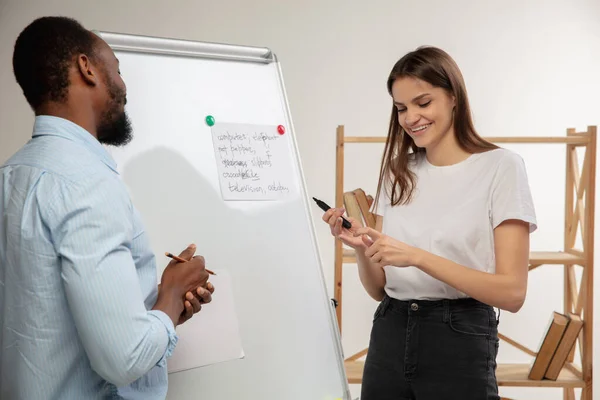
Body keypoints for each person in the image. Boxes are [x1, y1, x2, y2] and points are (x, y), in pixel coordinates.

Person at [0, 16, 214, 400]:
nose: (124, 87)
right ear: (87, 68)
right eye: (117, 68)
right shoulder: (87, 184)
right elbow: (124, 358)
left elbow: (47, 314)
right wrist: (169, 298)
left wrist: (163, 304)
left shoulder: (10, 176)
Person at [323, 46, 537, 400]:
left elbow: (512, 293)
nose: (410, 118)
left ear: (453, 97)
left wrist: (417, 256)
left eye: (423, 103)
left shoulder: (501, 167)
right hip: (390, 330)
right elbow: (379, 289)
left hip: (459, 337)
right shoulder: (398, 171)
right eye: (401, 108)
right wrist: (363, 248)